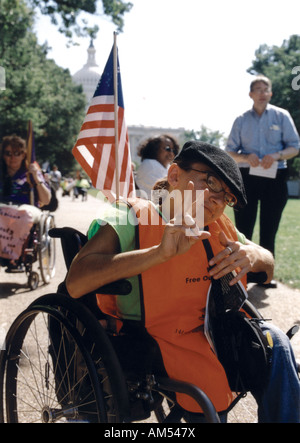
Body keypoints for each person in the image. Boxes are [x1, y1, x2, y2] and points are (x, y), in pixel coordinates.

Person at [66, 141, 300, 423]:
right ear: (175, 176)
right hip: (151, 335)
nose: (217, 200)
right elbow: (76, 283)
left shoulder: (220, 225)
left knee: (276, 342)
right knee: (205, 386)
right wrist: (157, 254)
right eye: (211, 182)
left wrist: (254, 254)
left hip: (214, 329)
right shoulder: (132, 216)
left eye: (227, 196)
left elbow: (269, 266)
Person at [226, 76, 299, 288]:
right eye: (257, 89)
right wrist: (245, 156)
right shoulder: (241, 120)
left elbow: (295, 146)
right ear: (250, 94)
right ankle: (242, 274)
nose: (261, 93)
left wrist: (276, 155)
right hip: (247, 178)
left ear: (270, 94)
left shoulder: (281, 116)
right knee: (244, 228)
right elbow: (229, 151)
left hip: (275, 177)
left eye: (265, 89)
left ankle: (265, 275)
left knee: (270, 227)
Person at [0, 134, 51, 270]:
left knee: (21, 214)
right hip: (3, 208)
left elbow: (46, 200)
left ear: (23, 155)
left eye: (17, 153)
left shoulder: (31, 172)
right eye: (8, 153)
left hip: (27, 209)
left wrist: (36, 176)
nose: (12, 157)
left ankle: (14, 256)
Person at [135, 134, 180, 198]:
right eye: (168, 149)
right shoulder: (150, 165)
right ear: (154, 149)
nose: (171, 153)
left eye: (173, 150)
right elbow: (167, 192)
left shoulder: (166, 166)